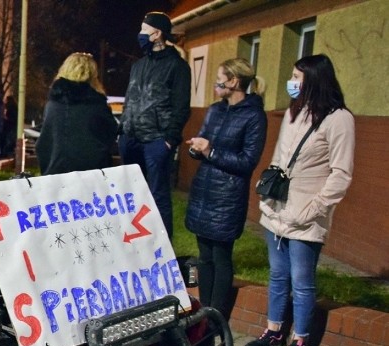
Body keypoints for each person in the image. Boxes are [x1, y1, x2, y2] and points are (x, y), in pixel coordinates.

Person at [244, 54, 355, 346]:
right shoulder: (295, 112)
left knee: (302, 280)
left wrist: (312, 209)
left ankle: (301, 340)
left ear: (314, 80)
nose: (290, 82)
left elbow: (341, 174)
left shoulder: (338, 119)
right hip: (277, 211)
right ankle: (274, 331)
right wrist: (267, 195)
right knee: (277, 275)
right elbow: (280, 158)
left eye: (296, 76)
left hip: (306, 216)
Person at [184, 58, 268, 317]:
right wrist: (196, 149)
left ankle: (217, 315)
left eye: (220, 77)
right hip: (204, 192)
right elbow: (205, 141)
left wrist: (210, 151)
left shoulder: (254, 115)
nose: (215, 83)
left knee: (221, 256)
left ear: (233, 81)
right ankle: (205, 311)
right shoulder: (215, 110)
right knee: (204, 256)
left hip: (227, 197)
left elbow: (247, 161)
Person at [119, 11, 191, 239]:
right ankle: (134, 243)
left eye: (144, 30)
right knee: (131, 194)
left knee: (158, 196)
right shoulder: (138, 65)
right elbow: (130, 98)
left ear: (157, 33)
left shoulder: (177, 67)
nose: (140, 34)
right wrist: (122, 130)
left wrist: (169, 140)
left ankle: (162, 247)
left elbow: (181, 107)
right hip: (131, 139)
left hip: (156, 141)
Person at [35, 52, 118, 175]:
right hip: (91, 173)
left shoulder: (53, 104)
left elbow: (45, 142)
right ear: (92, 74)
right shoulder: (97, 104)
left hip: (56, 172)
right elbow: (110, 135)